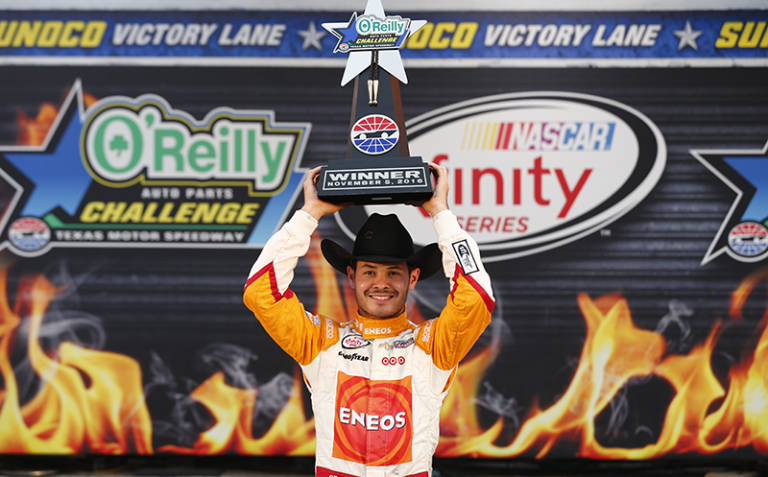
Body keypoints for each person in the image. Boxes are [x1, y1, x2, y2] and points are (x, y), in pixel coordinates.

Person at [243, 164, 494, 477]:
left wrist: (441, 214)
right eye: (369, 272)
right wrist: (309, 214)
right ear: (351, 276)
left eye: (393, 272)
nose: (381, 283)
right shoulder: (320, 341)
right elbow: (260, 292)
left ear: (412, 278)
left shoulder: (433, 346)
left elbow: (476, 298)